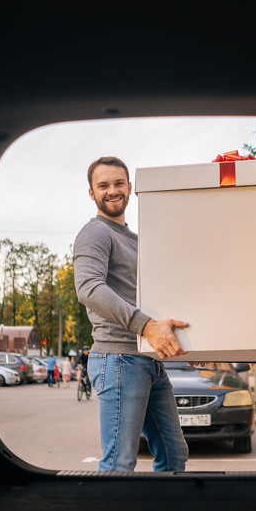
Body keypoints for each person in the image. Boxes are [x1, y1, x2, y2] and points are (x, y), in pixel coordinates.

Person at [73, 156, 189, 472]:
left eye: (118, 183)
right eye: (103, 185)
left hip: (147, 359)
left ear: (129, 187)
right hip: (119, 360)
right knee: (119, 464)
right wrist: (146, 326)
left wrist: (197, 344)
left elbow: (154, 296)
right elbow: (89, 288)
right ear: (91, 193)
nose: (112, 191)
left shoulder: (135, 240)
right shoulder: (95, 233)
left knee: (174, 453)